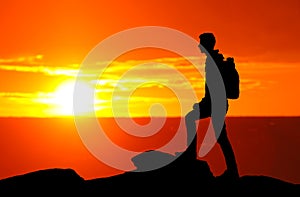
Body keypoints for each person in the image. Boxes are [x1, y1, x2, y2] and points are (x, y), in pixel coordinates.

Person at [184, 32, 239, 179]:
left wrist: (204, 104)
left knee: (219, 136)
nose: (199, 46)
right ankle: (232, 170)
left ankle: (191, 156)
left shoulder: (213, 62)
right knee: (221, 137)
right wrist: (202, 103)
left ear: (207, 44)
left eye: (201, 42)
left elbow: (214, 90)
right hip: (214, 104)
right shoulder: (213, 60)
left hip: (216, 105)